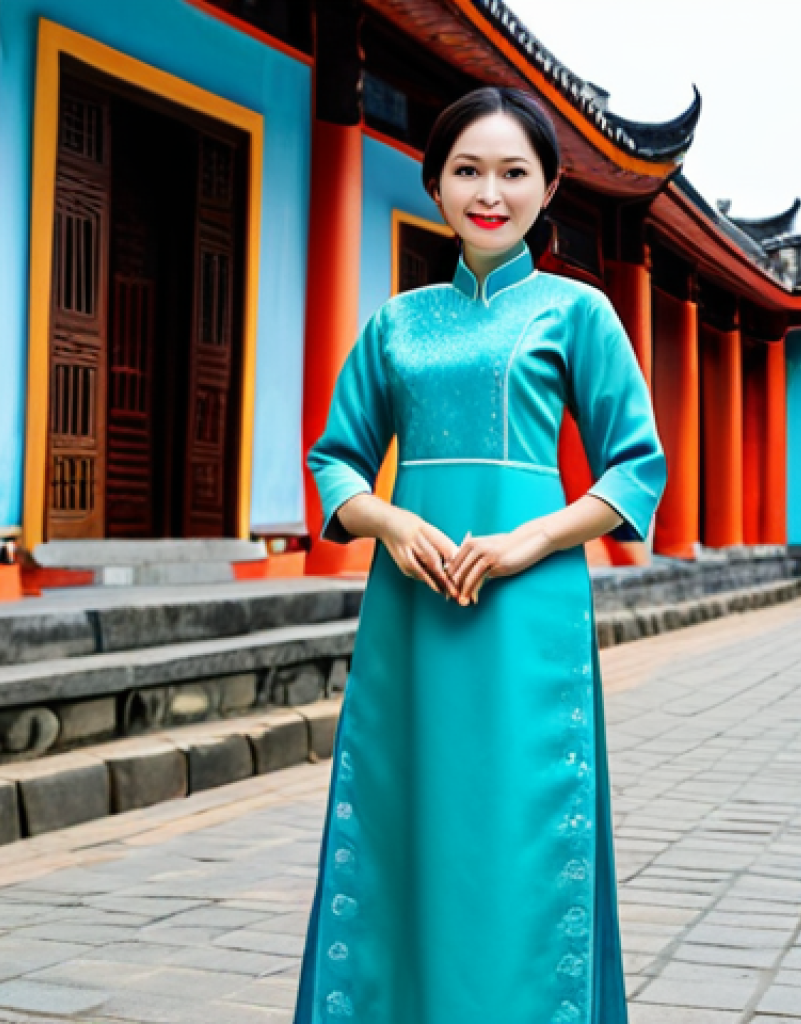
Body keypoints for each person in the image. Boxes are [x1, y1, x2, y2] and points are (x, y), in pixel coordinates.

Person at [294, 85, 666, 1024]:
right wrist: (387, 521)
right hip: (411, 607)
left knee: (521, 829)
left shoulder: (578, 313)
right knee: (405, 819)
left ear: (548, 189)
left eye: (513, 172)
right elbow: (335, 455)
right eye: (467, 170)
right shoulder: (397, 323)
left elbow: (636, 467)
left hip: (524, 609)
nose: (488, 191)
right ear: (434, 183)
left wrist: (528, 540)